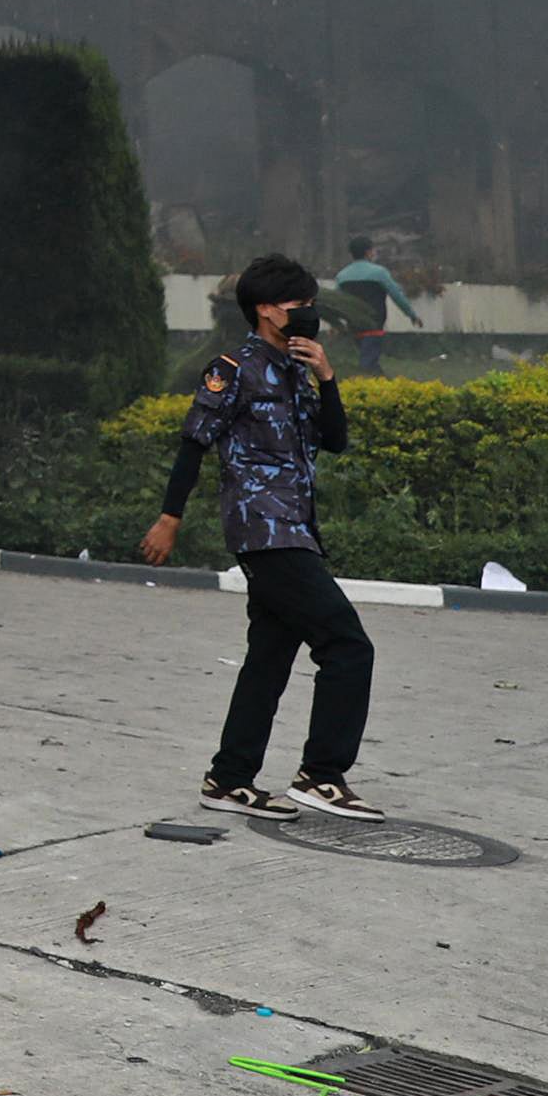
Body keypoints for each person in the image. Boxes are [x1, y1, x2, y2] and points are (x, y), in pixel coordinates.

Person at [140, 251, 382, 820]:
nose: (310, 315)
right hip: (264, 531)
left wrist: (327, 376)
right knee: (348, 646)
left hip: (296, 526)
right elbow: (193, 444)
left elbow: (337, 440)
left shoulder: (299, 369)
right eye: (300, 305)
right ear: (267, 310)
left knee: (269, 659)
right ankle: (320, 775)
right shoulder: (233, 368)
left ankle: (228, 780)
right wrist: (170, 518)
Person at [329, 236, 412, 374]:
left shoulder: (342, 275)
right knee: (368, 362)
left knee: (368, 359)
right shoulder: (379, 273)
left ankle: (377, 384)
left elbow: (336, 302)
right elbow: (396, 295)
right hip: (374, 323)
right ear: (368, 252)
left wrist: (334, 324)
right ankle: (376, 387)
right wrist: (411, 314)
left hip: (354, 325)